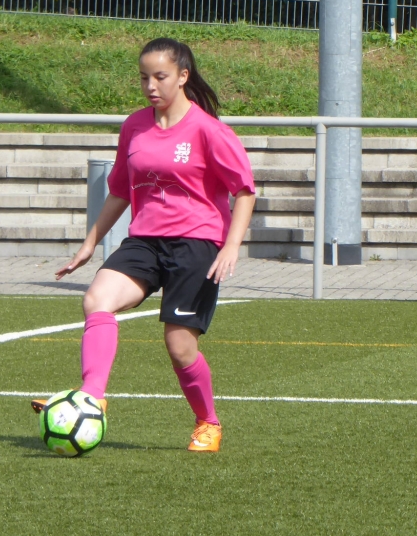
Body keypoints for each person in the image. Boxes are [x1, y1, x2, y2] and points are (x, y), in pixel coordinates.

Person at [33, 38, 256, 452]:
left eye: (160, 76)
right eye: (143, 77)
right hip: (146, 240)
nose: (150, 86)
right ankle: (92, 396)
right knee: (96, 299)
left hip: (197, 244)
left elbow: (244, 191)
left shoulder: (208, 130)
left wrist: (230, 246)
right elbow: (120, 191)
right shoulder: (134, 126)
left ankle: (208, 422)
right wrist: (89, 243)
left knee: (179, 345)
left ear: (183, 76)